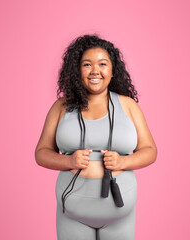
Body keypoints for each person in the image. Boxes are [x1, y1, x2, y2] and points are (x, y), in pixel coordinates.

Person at [35, 34, 157, 240]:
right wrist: (69, 160)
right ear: (77, 70)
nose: (95, 71)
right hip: (73, 212)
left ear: (112, 70)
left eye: (102, 63)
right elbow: (41, 153)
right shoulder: (61, 107)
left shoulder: (128, 106)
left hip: (120, 213)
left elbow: (150, 151)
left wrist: (123, 161)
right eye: (87, 64)